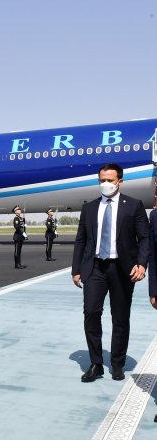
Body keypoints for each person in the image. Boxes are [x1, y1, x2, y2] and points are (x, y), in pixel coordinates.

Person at [72, 163, 148, 383]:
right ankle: (96, 363)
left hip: (122, 269)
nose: (105, 184)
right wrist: (76, 269)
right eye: (102, 180)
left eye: (110, 180)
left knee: (120, 317)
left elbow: (144, 238)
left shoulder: (133, 205)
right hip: (95, 267)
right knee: (91, 312)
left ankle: (117, 363)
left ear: (120, 181)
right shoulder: (89, 208)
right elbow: (81, 240)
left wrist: (141, 264)